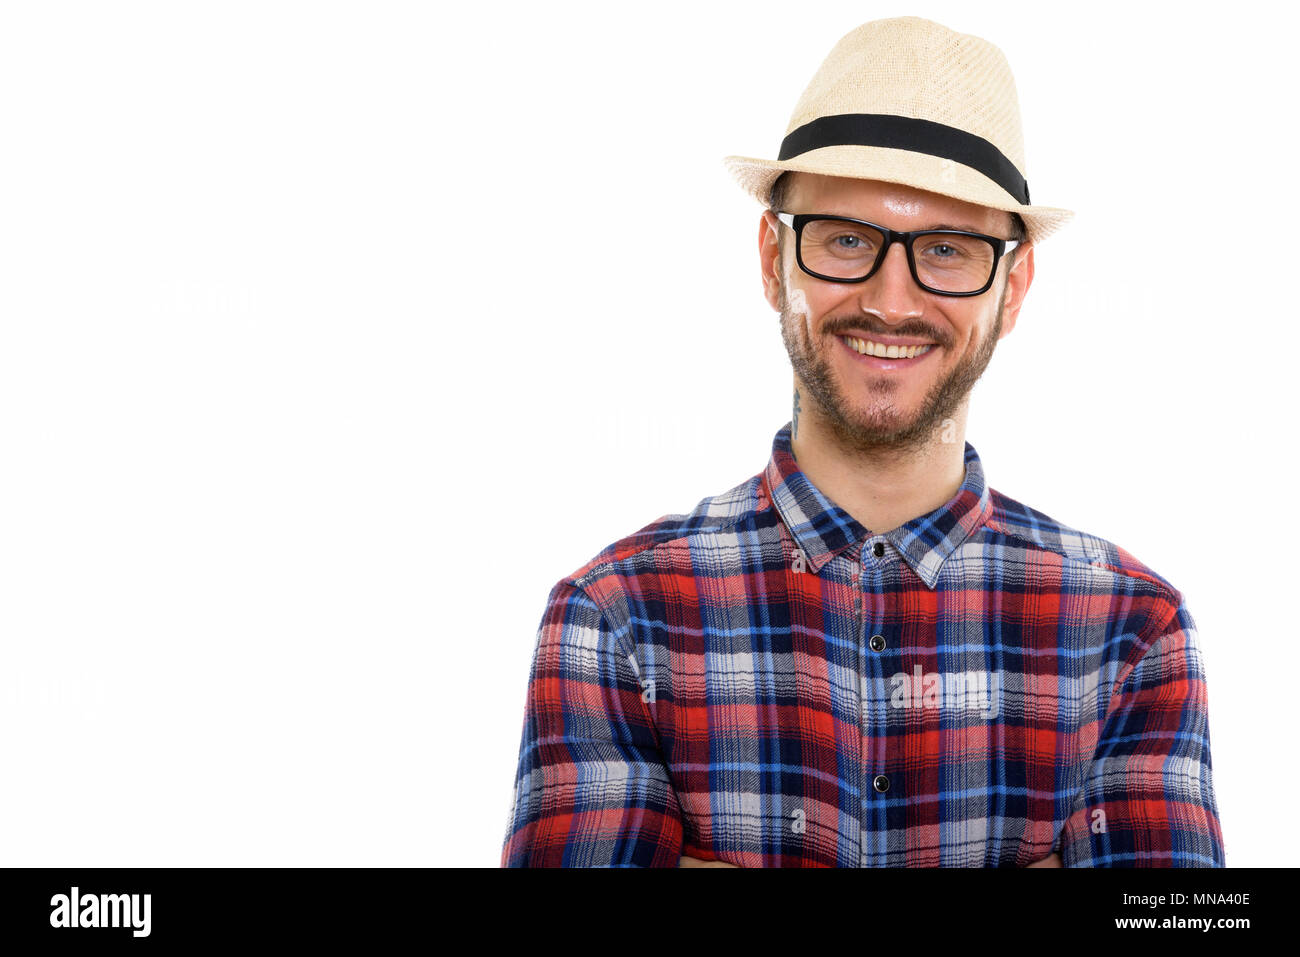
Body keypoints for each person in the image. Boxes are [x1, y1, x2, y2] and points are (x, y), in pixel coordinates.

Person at [500, 16, 1224, 867]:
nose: (890, 298)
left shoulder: (1133, 631)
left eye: (948, 250)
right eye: (847, 240)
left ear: (1014, 286)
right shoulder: (617, 617)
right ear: (773, 257)